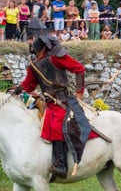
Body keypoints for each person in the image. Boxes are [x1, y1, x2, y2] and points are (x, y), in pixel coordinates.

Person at [13, 31, 86, 179]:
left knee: (56, 124)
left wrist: (79, 92)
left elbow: (79, 69)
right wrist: (17, 90)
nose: (33, 53)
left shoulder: (56, 58)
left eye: (35, 50)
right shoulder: (34, 66)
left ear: (41, 49)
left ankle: (61, 164)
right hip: (47, 103)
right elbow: (29, 85)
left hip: (62, 101)